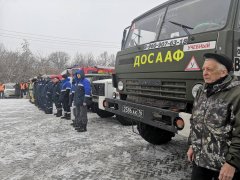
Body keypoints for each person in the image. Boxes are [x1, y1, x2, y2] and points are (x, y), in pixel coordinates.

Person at [187, 53, 240, 180]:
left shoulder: (236, 94)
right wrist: (192, 145)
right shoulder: (202, 91)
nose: (204, 73)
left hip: (224, 168)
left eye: (209, 69)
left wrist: (232, 163)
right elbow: (195, 121)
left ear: (223, 72)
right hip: (200, 162)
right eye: (204, 69)